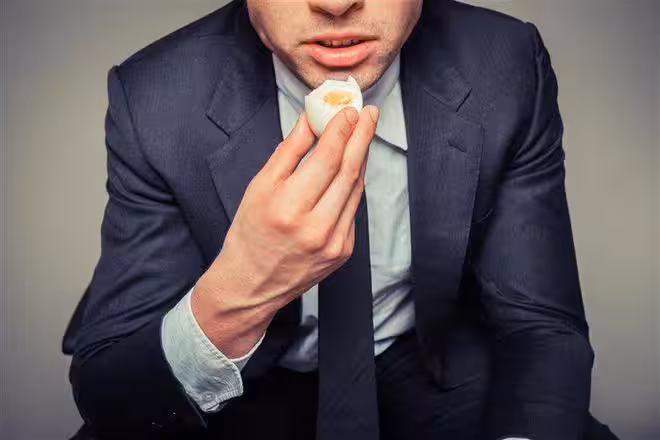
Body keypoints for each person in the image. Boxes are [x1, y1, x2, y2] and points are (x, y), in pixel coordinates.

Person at [66, 0, 620, 439]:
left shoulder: (504, 60)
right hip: (244, 386)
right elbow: (112, 390)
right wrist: (242, 289)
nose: (335, 4)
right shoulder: (157, 97)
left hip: (428, 363)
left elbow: (540, 325)